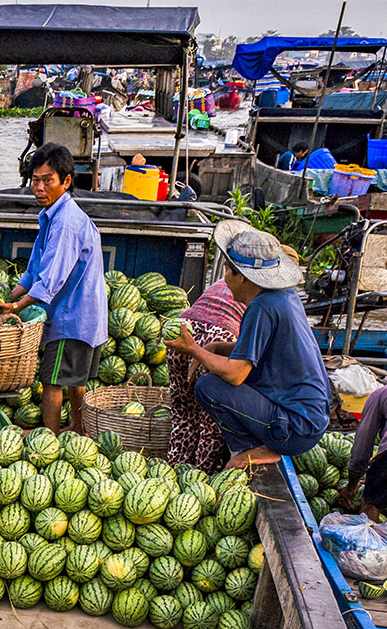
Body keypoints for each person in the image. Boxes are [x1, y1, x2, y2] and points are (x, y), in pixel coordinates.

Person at [165, 221, 331, 468]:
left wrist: (194, 350)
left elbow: (235, 374)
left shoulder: (262, 308)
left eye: (228, 271)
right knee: (214, 379)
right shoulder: (283, 297)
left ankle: (255, 448)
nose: (224, 278)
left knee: (209, 386)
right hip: (308, 419)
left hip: (295, 428)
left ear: (241, 277)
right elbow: (257, 352)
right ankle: (260, 444)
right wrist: (217, 348)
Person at [2, 142, 108, 438]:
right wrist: (6, 298)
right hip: (81, 314)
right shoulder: (51, 216)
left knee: (52, 380)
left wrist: (16, 309)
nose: (39, 187)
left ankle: (49, 441)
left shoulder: (65, 223)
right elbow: (34, 270)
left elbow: (50, 281)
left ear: (66, 181)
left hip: (71, 316)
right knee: (76, 378)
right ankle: (78, 428)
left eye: (47, 180)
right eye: (35, 180)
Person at [166, 277, 245, 472]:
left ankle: (174, 474)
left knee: (182, 413)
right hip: (220, 337)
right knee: (211, 421)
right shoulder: (263, 290)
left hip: (183, 330)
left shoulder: (228, 277)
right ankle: (202, 478)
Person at [338, 384, 387, 522]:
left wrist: (351, 485)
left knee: (371, 504)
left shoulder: (379, 394)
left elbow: (363, 446)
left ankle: (367, 540)